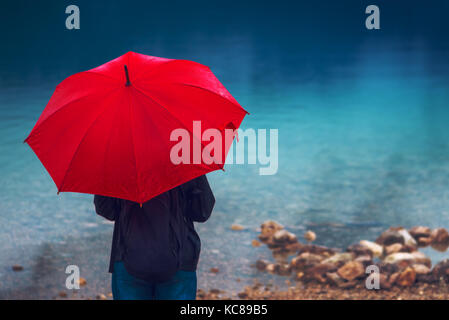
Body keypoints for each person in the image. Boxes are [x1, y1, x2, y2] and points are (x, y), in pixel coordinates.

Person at [94, 175, 215, 300]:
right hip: (179, 258)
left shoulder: (118, 164)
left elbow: (106, 210)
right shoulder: (185, 162)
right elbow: (202, 212)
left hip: (128, 256)